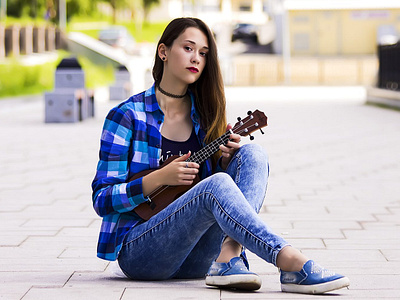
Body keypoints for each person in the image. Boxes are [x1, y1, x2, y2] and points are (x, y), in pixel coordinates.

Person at [92, 17, 350, 294]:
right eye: (189, 48)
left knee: (252, 153)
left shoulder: (205, 116)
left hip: (198, 256)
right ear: (163, 51)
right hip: (143, 252)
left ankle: (229, 254)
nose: (197, 59)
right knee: (216, 185)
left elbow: (206, 196)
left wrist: (225, 162)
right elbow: (101, 199)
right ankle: (288, 260)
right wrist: (158, 178)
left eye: (203, 53)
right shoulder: (127, 116)